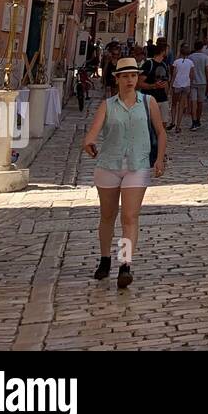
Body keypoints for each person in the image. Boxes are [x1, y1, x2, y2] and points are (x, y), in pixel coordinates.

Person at [82, 57, 166, 290]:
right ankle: (105, 258)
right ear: (117, 78)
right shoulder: (107, 106)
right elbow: (92, 133)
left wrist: (159, 159)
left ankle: (125, 263)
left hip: (137, 166)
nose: (130, 80)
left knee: (129, 217)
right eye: (125, 76)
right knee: (107, 216)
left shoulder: (148, 102)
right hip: (109, 164)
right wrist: (88, 142)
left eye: (133, 75)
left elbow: (160, 132)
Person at [168, 44, 195, 135]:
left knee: (174, 104)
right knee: (181, 105)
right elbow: (191, 75)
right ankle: (178, 126)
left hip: (177, 84)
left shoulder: (176, 62)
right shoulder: (191, 63)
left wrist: (171, 85)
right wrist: (190, 84)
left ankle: (172, 121)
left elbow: (174, 74)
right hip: (186, 85)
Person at [188, 40, 208, 129]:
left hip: (193, 82)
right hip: (202, 82)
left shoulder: (190, 57)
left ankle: (193, 121)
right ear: (202, 47)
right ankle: (198, 120)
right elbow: (207, 71)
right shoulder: (205, 57)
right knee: (200, 102)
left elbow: (189, 71)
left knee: (193, 102)